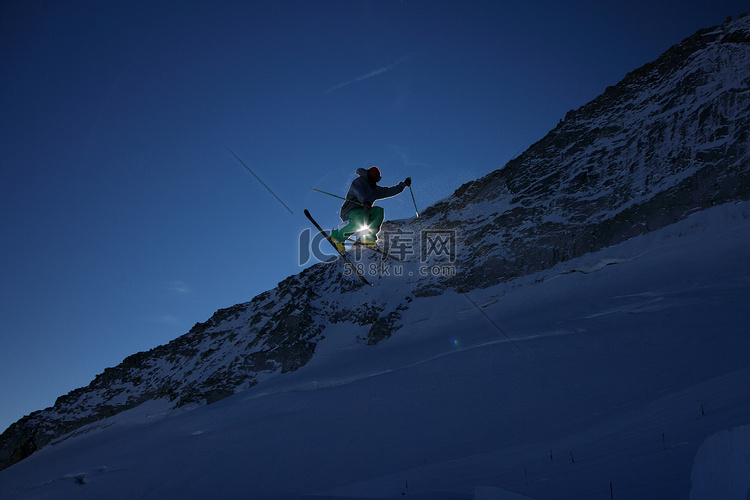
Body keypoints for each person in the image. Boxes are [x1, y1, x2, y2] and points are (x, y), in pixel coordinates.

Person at [330, 166, 411, 251]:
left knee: (378, 211)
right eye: (373, 177)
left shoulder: (374, 189)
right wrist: (365, 201)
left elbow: (389, 191)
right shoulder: (359, 181)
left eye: (377, 179)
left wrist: (403, 185)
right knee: (361, 218)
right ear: (368, 174)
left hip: (364, 212)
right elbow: (357, 191)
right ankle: (337, 237)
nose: (374, 180)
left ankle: (368, 237)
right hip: (349, 211)